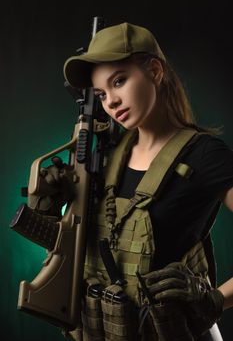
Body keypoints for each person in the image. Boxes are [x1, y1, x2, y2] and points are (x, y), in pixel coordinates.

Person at [32, 22, 233, 340]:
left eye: (120, 81)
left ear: (154, 71)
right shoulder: (107, 156)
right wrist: (51, 206)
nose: (110, 102)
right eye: (101, 93)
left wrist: (216, 299)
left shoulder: (204, 155)